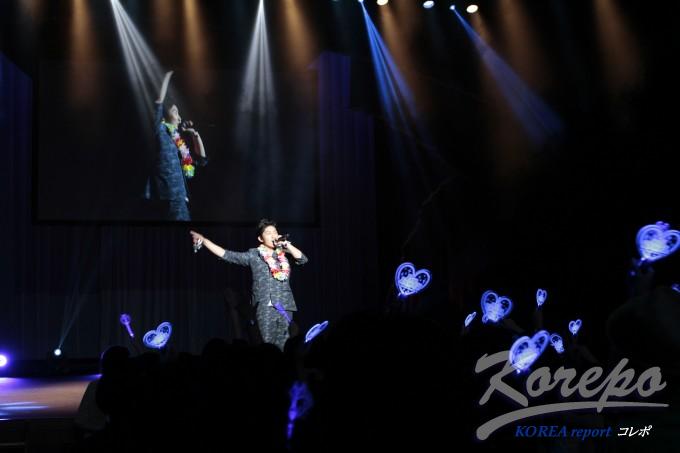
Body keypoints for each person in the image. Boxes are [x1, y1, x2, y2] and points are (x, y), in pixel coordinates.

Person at [190, 219, 308, 350]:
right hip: (265, 306)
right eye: (268, 233)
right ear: (260, 238)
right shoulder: (254, 255)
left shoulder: (284, 255)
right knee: (268, 346)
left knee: (286, 345)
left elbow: (303, 259)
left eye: (275, 232)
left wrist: (287, 245)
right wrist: (205, 241)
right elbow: (228, 255)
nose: (273, 235)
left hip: (284, 305)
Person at [146, 71, 207, 221]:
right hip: (163, 198)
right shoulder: (159, 130)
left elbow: (201, 160)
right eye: (174, 111)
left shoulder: (178, 143)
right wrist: (166, 75)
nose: (178, 116)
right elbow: (159, 101)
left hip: (179, 202)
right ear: (164, 116)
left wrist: (195, 135)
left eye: (178, 113)